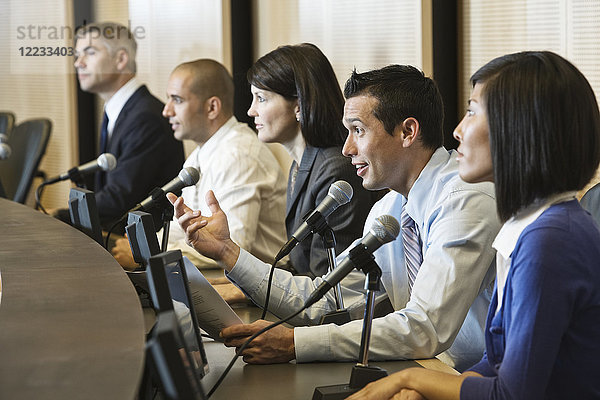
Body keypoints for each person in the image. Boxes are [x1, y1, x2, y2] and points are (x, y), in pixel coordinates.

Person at [168, 64, 501, 371]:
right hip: (421, 369)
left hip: (473, 379)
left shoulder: (464, 198)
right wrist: (228, 252)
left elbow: (425, 327)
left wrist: (295, 343)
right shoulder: (388, 211)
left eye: (358, 131)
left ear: (407, 132)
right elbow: (322, 300)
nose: (347, 149)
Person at [348, 51, 600, 399]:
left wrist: (410, 380)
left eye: (472, 111)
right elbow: (496, 363)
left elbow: (511, 394)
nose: (457, 130)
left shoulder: (551, 241)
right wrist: (432, 388)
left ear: (520, 126)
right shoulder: (528, 226)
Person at [112, 59, 288, 270]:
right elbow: (181, 226)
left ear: (212, 107)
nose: (166, 111)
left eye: (176, 100)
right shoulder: (200, 153)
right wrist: (143, 247)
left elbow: (233, 248)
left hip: (256, 292)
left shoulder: (238, 155)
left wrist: (149, 255)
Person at [245, 43, 384, 277]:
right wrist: (242, 286)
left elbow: (326, 278)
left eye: (261, 98)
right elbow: (302, 264)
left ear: (298, 105)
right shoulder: (302, 163)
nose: (251, 111)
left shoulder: (336, 170)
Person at [70, 22, 184, 231]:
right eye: (77, 55)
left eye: (90, 53)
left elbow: (118, 199)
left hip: (143, 247)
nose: (78, 63)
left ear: (121, 59)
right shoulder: (120, 109)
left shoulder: (145, 117)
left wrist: (60, 215)